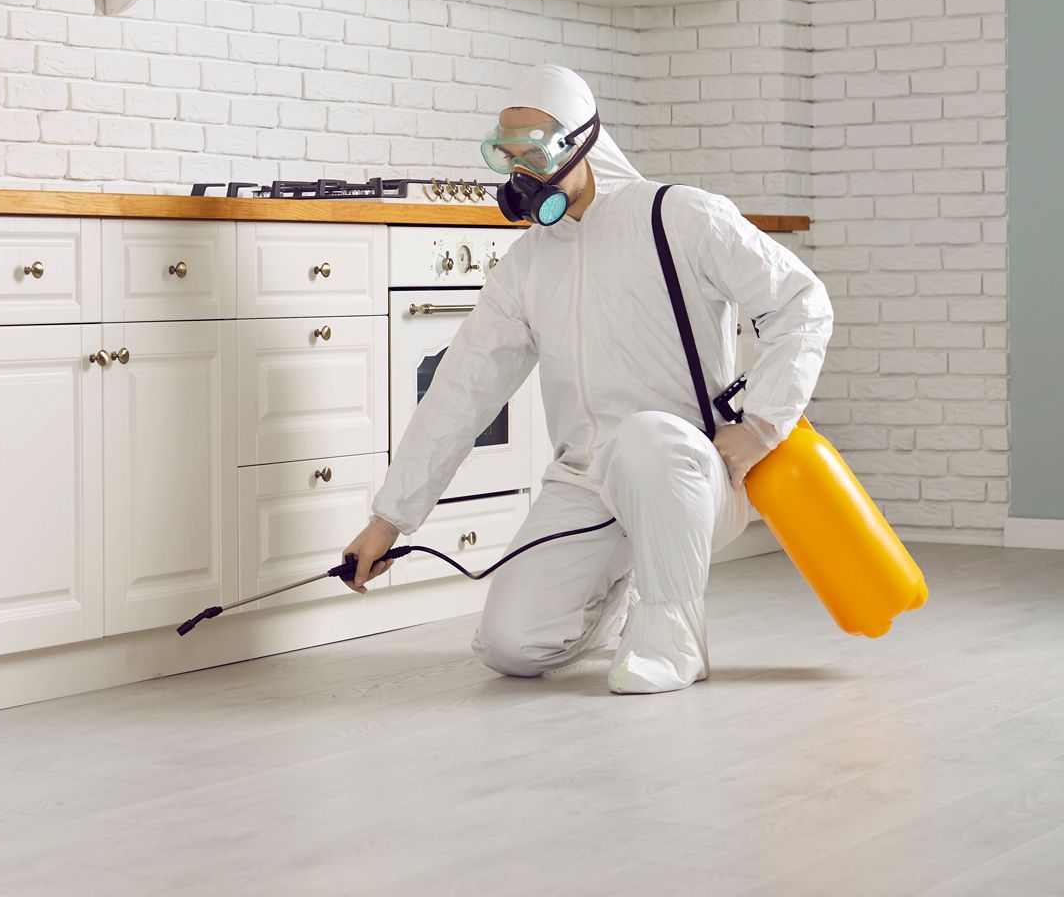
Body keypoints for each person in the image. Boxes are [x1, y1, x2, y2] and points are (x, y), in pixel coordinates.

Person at [342, 65, 833, 693]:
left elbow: (802, 302)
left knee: (647, 439)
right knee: (511, 647)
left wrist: (763, 426)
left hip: (692, 471)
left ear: (583, 141)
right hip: (586, 483)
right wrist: (388, 522)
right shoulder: (526, 265)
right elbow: (461, 391)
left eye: (534, 154)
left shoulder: (678, 216)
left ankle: (675, 637)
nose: (520, 175)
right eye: (507, 156)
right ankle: (620, 597)